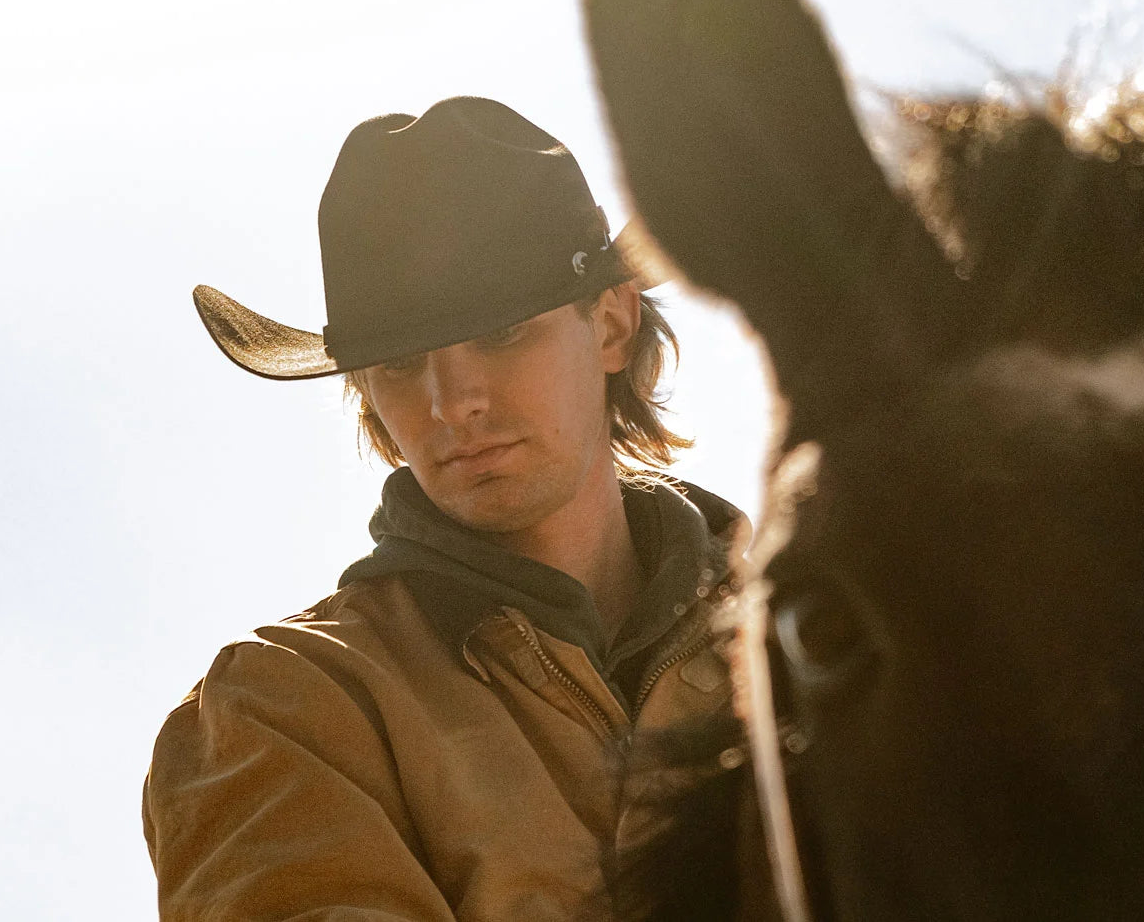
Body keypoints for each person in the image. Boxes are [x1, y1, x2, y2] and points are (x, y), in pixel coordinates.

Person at [143, 96, 748, 920]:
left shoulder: (818, 638)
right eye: (399, 364)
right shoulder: (288, 701)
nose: (449, 401)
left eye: (500, 336)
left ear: (610, 324)